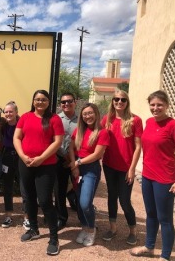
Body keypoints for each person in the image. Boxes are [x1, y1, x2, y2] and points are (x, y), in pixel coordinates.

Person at [130, 90, 175, 261]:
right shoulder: (149, 122)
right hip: (148, 176)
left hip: (165, 178)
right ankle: (149, 246)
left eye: (159, 105)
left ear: (167, 105)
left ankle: (165, 256)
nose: (155, 108)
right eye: (153, 105)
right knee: (150, 214)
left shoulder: (174, 126)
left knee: (165, 219)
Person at [13, 89, 64, 256]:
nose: (40, 102)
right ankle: (34, 229)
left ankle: (54, 238)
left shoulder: (54, 119)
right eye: (37, 99)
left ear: (48, 102)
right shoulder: (26, 117)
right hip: (25, 163)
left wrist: (41, 158)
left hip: (46, 165)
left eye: (43, 99)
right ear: (33, 101)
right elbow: (17, 138)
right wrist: (22, 156)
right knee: (29, 198)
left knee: (45, 201)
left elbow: (58, 142)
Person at [101, 90, 143, 245]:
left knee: (124, 201)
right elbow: (97, 136)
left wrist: (132, 168)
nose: (119, 102)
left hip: (126, 167)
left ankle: (133, 231)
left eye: (123, 100)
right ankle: (113, 228)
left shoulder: (135, 120)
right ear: (112, 101)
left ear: (127, 102)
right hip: (109, 165)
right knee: (112, 197)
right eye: (116, 99)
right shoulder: (107, 119)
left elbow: (138, 147)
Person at [69, 103, 109, 247]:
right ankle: (84, 228)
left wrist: (77, 164)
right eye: (85, 114)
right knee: (79, 202)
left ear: (96, 113)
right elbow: (71, 148)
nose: (87, 116)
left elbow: (97, 154)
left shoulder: (102, 132)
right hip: (77, 168)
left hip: (91, 169)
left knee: (86, 203)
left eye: (90, 113)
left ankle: (91, 229)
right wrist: (74, 166)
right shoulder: (79, 130)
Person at [0, 101, 29, 229]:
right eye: (6, 112)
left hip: (21, 157)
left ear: (16, 112)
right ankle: (8, 216)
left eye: (11, 111)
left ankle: (27, 218)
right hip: (6, 157)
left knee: (24, 188)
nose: (8, 114)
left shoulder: (22, 125)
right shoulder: (2, 125)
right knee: (7, 187)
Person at [54, 92, 78, 230]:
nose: (66, 104)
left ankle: (83, 217)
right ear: (60, 104)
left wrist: (73, 159)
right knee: (59, 190)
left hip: (78, 159)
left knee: (80, 188)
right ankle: (61, 217)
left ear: (75, 102)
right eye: (63, 102)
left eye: (69, 101)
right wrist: (65, 156)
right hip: (60, 159)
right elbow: (53, 140)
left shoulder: (82, 119)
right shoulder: (56, 118)